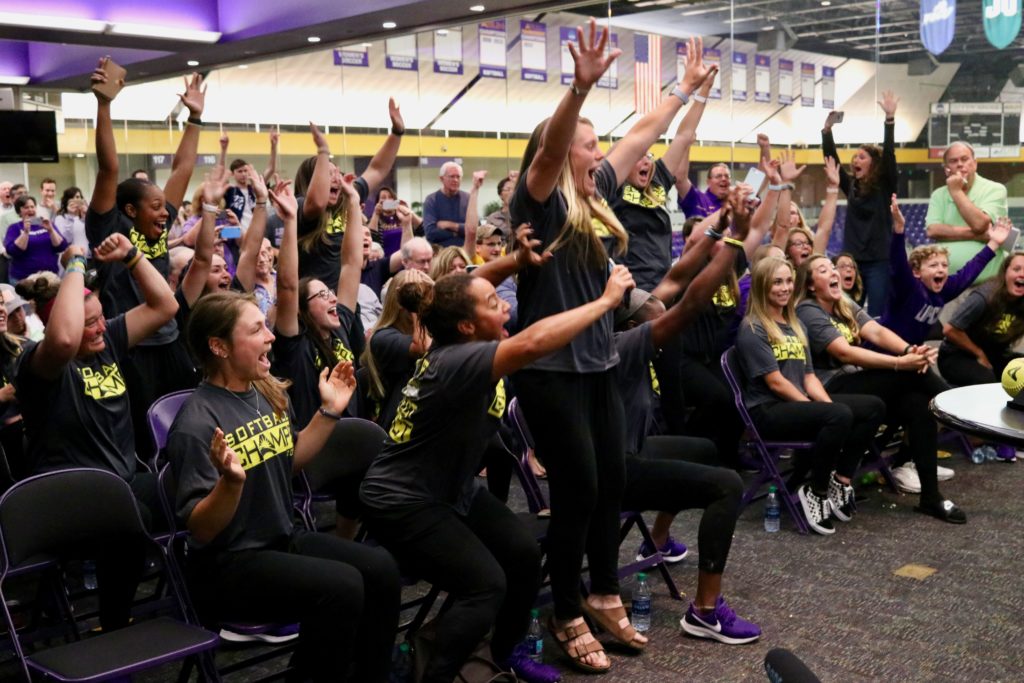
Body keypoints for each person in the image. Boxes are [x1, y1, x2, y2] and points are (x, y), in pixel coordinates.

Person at [361, 262, 633, 683]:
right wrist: (606, 301)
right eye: (493, 304)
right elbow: (533, 342)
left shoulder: (457, 336)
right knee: (485, 586)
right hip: (403, 500)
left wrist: (516, 259)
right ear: (468, 326)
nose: (505, 308)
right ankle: (424, 673)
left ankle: (497, 660)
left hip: (449, 488)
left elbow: (455, 290)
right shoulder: (460, 359)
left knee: (523, 557)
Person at [509, 19, 649, 674]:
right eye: (586, 143)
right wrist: (578, 90)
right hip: (549, 369)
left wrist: (690, 93)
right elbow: (546, 157)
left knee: (611, 480)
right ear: (563, 147)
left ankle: (603, 588)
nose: (598, 151)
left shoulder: (598, 197)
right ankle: (564, 608)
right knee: (579, 488)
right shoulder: (536, 202)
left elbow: (644, 139)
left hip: (597, 365)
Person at [169, 291, 400, 683]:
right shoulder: (197, 423)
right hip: (228, 564)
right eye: (256, 329)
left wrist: (329, 412)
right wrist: (230, 484)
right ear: (219, 346)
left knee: (380, 568)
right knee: (341, 588)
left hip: (278, 539)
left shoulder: (264, 391)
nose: (270, 336)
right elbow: (203, 529)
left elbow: (288, 460)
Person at [613, 190, 760, 642]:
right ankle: (704, 611)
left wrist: (715, 229)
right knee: (725, 485)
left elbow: (677, 277)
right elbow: (691, 297)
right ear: (638, 326)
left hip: (629, 448)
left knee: (703, 449)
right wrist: (735, 239)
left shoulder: (625, 326)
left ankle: (656, 538)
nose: (664, 312)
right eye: (656, 316)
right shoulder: (621, 348)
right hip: (613, 468)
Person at [15, 236, 178, 630]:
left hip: (119, 484)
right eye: (90, 321)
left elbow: (165, 306)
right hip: (65, 499)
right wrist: (74, 264)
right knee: (130, 516)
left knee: (187, 486)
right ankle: (114, 626)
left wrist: (133, 256)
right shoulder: (41, 367)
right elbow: (65, 338)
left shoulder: (108, 344)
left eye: (102, 315)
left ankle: (202, 602)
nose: (102, 325)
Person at [86, 60, 206, 460]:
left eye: (164, 207)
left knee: (183, 429)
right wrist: (104, 107)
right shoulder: (108, 227)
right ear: (130, 211)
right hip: (131, 347)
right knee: (143, 438)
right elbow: (109, 167)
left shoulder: (156, 224)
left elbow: (184, 166)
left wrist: (195, 118)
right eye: (155, 207)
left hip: (169, 343)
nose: (164, 214)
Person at [795, 254, 965, 524]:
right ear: (811, 284)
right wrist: (901, 362)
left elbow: (875, 331)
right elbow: (845, 353)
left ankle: (930, 497)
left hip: (856, 381)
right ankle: (958, 407)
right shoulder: (808, 309)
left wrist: (909, 350)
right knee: (910, 376)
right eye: (824, 270)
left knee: (919, 405)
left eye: (832, 268)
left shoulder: (842, 303)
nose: (834, 273)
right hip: (828, 388)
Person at [738, 257, 885, 534]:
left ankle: (839, 480)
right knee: (837, 415)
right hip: (767, 411)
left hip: (793, 403)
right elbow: (776, 382)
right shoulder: (754, 328)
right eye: (777, 282)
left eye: (789, 281)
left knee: (871, 407)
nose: (785, 288)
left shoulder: (795, 324)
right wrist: (818, 411)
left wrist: (827, 406)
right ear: (762, 285)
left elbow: (809, 376)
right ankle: (815, 492)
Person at [295, 104, 403, 291]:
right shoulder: (300, 207)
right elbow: (317, 202)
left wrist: (397, 132)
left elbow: (377, 169)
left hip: (347, 299)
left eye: (337, 172)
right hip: (315, 301)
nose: (337, 178)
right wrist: (323, 151)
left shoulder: (346, 197)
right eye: (329, 174)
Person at [881, 196, 1007, 345]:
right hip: (884, 351)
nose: (941, 269)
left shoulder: (944, 290)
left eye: (944, 265)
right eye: (933, 265)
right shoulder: (908, 287)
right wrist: (899, 229)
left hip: (911, 354)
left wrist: (994, 243)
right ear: (916, 272)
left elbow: (971, 269)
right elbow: (898, 264)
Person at [821, 90, 899, 315]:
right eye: (855, 157)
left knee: (876, 314)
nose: (855, 160)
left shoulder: (885, 185)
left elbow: (890, 154)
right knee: (846, 312)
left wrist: (889, 120)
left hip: (879, 262)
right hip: (852, 262)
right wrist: (827, 131)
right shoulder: (852, 186)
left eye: (862, 157)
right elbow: (832, 162)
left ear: (874, 164)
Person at [939, 251, 1024, 386]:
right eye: (1016, 269)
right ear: (1005, 272)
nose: (1022, 274)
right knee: (986, 381)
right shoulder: (984, 297)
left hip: (994, 354)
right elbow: (950, 330)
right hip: (957, 355)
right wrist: (979, 353)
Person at [361, 269, 433, 428]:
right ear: (402, 302)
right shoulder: (382, 337)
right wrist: (415, 300)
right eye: (422, 297)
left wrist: (434, 287)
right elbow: (423, 348)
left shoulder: (430, 329)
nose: (427, 302)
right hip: (399, 427)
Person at [926, 141, 1009, 277]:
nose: (960, 164)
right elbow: (932, 230)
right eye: (953, 161)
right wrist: (979, 236)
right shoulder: (938, 194)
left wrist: (956, 191)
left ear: (975, 164)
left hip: (987, 282)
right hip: (947, 283)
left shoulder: (995, 189)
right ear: (947, 169)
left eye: (965, 159)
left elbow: (979, 224)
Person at [3, 195, 67, 281]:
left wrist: (51, 230)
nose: (30, 210)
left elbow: (61, 247)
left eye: (32, 207)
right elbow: (13, 251)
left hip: (49, 277)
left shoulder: (47, 224)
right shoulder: (14, 227)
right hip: (23, 279)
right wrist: (25, 232)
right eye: (26, 207)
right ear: (19, 211)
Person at [423, 161, 470, 247]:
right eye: (452, 176)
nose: (455, 180)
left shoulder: (467, 199)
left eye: (458, 177)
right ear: (441, 179)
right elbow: (431, 234)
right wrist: (456, 233)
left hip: (464, 251)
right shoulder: (431, 200)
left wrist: (450, 225)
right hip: (440, 252)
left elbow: (475, 229)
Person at [53, 186, 89, 253]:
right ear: (67, 201)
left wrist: (87, 214)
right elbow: (66, 239)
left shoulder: (85, 217)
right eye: (72, 198)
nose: (75, 201)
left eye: (78, 197)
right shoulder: (60, 218)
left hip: (89, 256)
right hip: (71, 257)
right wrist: (72, 216)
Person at [485, 172, 518, 238]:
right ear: (500, 194)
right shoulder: (493, 218)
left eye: (514, 189)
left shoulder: (523, 214)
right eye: (508, 189)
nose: (511, 192)